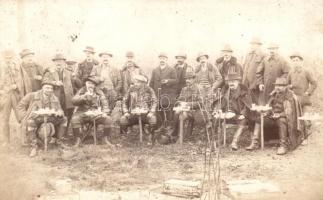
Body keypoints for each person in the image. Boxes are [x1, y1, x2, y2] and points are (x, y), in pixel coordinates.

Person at [247, 78, 305, 154]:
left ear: (285, 87)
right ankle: (255, 143)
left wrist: (279, 115)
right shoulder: (274, 95)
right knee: (259, 119)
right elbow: (270, 107)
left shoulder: (290, 96)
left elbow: (290, 112)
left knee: (282, 121)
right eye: (277, 85)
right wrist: (267, 113)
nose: (278, 87)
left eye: (280, 86)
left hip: (285, 118)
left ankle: (283, 146)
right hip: (273, 117)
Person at [17, 80, 67, 157]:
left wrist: (60, 112)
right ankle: (34, 146)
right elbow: (20, 106)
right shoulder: (32, 95)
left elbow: (59, 109)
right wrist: (24, 116)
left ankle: (59, 142)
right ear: (42, 88)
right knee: (30, 122)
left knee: (64, 119)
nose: (49, 90)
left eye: (51, 88)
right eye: (47, 88)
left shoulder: (55, 98)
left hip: (50, 117)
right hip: (36, 117)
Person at [212, 72, 253, 150]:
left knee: (243, 120)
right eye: (230, 81)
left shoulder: (244, 92)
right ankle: (218, 139)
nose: (231, 83)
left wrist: (243, 114)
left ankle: (234, 142)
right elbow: (221, 102)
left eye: (233, 81)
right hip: (227, 114)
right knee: (215, 118)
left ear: (238, 82)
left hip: (238, 115)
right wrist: (217, 110)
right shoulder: (225, 92)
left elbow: (248, 105)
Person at [71, 76, 113, 147]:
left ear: (95, 85)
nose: (91, 85)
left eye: (93, 84)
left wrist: (105, 113)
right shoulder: (82, 91)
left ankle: (105, 139)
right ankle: (78, 140)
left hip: (96, 113)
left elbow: (105, 103)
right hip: (82, 112)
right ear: (85, 83)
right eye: (89, 83)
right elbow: (74, 101)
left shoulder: (99, 92)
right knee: (75, 119)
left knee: (108, 119)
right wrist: (83, 97)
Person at [120, 75, 157, 145]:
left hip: (146, 114)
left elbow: (155, 101)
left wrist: (151, 112)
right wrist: (126, 112)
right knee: (123, 119)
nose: (135, 84)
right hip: (133, 114)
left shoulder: (149, 89)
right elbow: (124, 101)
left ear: (143, 83)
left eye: (138, 82)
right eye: (135, 82)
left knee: (153, 119)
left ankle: (151, 139)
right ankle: (123, 139)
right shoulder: (131, 89)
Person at [43, 54, 75, 132]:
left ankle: (64, 132)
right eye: (57, 61)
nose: (59, 63)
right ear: (54, 63)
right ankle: (55, 133)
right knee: (56, 114)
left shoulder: (69, 72)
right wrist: (54, 82)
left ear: (64, 62)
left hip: (68, 97)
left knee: (68, 114)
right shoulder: (50, 72)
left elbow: (74, 85)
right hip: (55, 97)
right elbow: (44, 81)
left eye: (60, 61)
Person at [0, 50, 24, 146]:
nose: (8, 60)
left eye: (10, 57)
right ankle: (6, 141)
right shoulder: (1, 67)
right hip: (5, 96)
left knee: (21, 117)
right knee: (5, 118)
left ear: (13, 58)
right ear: (3, 58)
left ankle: (23, 139)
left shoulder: (17, 67)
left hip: (16, 95)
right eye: (6, 58)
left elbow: (22, 80)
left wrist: (17, 86)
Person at [171, 72, 203, 142]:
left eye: (189, 79)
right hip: (184, 109)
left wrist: (187, 104)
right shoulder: (184, 89)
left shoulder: (198, 89)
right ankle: (177, 135)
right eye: (186, 79)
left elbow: (201, 103)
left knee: (181, 115)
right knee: (177, 112)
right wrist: (180, 103)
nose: (187, 81)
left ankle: (178, 135)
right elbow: (179, 100)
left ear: (194, 79)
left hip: (195, 111)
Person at [149, 53, 178, 131]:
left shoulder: (171, 69)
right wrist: (150, 92)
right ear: (159, 59)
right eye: (161, 58)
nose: (162, 60)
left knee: (168, 111)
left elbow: (176, 81)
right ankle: (160, 126)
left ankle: (169, 127)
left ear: (166, 60)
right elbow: (151, 82)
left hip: (167, 94)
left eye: (164, 58)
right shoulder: (155, 70)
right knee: (159, 111)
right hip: (157, 94)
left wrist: (167, 81)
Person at [242, 37, 266, 103]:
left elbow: (263, 71)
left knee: (256, 103)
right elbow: (245, 68)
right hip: (246, 83)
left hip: (255, 84)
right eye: (251, 44)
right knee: (247, 102)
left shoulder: (263, 55)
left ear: (258, 45)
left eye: (254, 44)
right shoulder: (248, 54)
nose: (251, 46)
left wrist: (260, 82)